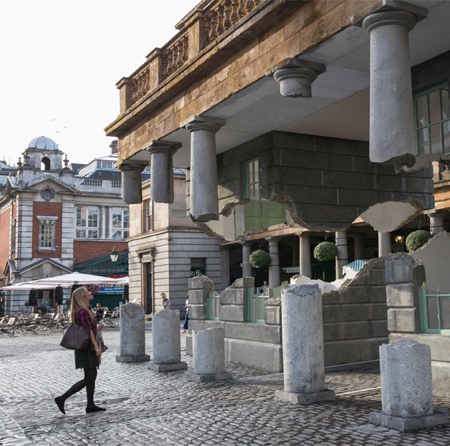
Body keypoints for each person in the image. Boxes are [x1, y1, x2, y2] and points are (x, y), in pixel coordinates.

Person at [54, 286, 106, 415]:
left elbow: (90, 329)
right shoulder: (82, 311)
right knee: (89, 378)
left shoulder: (86, 309)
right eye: (87, 292)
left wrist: (98, 327)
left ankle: (90, 404)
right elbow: (88, 331)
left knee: (91, 376)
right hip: (87, 347)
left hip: (87, 346)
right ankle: (62, 398)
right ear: (83, 296)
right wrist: (96, 347)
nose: (90, 293)